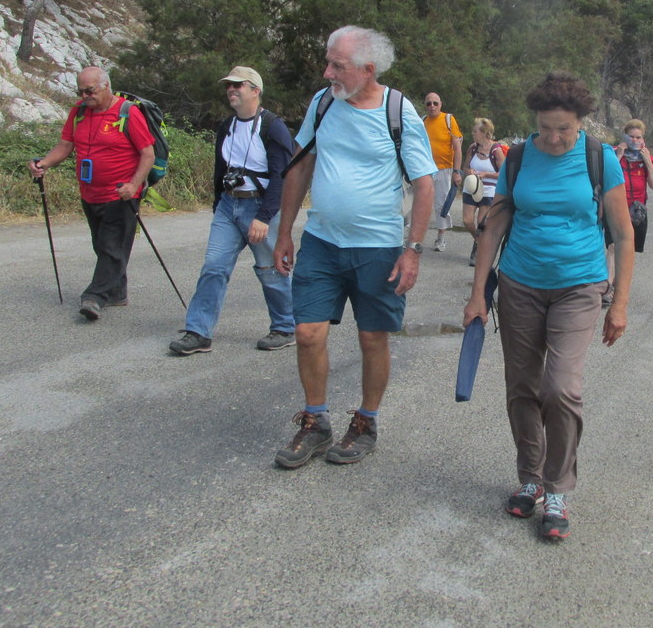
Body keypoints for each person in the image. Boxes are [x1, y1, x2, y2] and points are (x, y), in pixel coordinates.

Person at [463, 72, 635, 540]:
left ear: (581, 122)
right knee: (522, 386)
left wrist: (619, 303)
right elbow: (494, 228)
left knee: (560, 388)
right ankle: (530, 479)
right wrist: (478, 294)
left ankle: (558, 487)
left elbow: (623, 234)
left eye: (564, 128)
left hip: (580, 286)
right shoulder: (518, 158)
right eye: (546, 128)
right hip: (520, 284)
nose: (555, 138)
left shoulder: (600, 159)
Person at [272, 26, 436, 469]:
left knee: (372, 337)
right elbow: (301, 164)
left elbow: (424, 186)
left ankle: (366, 421)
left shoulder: (398, 111)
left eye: (337, 66)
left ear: (368, 69)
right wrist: (285, 231)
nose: (327, 73)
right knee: (306, 333)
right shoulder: (323, 103)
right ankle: (315, 421)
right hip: (322, 243)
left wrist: (413, 250)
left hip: (378, 248)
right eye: (328, 62)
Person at [169, 67, 297, 356]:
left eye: (239, 85)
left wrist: (263, 217)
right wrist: (218, 204)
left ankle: (285, 328)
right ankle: (198, 332)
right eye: (229, 85)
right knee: (214, 267)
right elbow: (220, 168)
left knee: (271, 271)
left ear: (256, 90)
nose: (232, 89)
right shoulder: (226, 125)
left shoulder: (272, 126)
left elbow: (282, 176)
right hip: (229, 205)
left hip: (261, 206)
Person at [28, 66, 155, 321]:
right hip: (90, 193)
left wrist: (134, 185)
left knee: (110, 245)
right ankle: (117, 292)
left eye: (90, 90)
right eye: (81, 91)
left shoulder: (127, 113)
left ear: (106, 86)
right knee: (103, 245)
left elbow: (148, 154)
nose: (85, 96)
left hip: (121, 194)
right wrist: (43, 164)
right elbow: (65, 146)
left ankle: (95, 297)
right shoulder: (79, 112)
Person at [604, 118, 653, 305]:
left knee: (627, 249)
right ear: (624, 136)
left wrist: (646, 159)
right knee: (612, 247)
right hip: (615, 207)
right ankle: (607, 288)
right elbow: (605, 179)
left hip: (636, 211)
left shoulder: (646, 158)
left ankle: (619, 286)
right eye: (631, 136)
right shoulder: (613, 154)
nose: (635, 140)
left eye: (638, 137)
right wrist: (619, 156)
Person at [422, 92, 463, 251]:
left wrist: (456, 171)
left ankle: (441, 238)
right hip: (425, 169)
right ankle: (414, 236)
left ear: (441, 105)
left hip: (444, 169)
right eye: (428, 103)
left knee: (441, 204)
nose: (432, 106)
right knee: (419, 202)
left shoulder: (448, 120)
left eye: (435, 103)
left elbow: (457, 148)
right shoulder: (422, 121)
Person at [461, 117, 502, 267]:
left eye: (475, 131)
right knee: (467, 220)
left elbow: (503, 173)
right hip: (471, 187)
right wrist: (468, 171)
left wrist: (486, 175)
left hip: (489, 190)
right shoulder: (472, 148)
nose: (473, 133)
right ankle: (478, 241)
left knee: (481, 223)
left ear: (484, 133)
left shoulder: (496, 150)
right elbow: (464, 167)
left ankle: (478, 250)